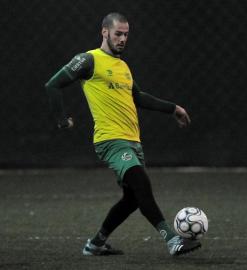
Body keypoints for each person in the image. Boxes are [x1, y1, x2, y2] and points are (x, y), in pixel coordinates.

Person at [45, 12, 201, 256]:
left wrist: (173, 108)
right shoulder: (88, 60)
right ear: (105, 32)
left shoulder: (123, 66)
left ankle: (95, 244)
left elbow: (137, 97)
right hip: (111, 140)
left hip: (132, 141)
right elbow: (52, 84)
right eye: (118, 33)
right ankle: (172, 240)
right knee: (142, 184)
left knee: (132, 199)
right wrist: (61, 119)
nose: (123, 39)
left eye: (126, 34)